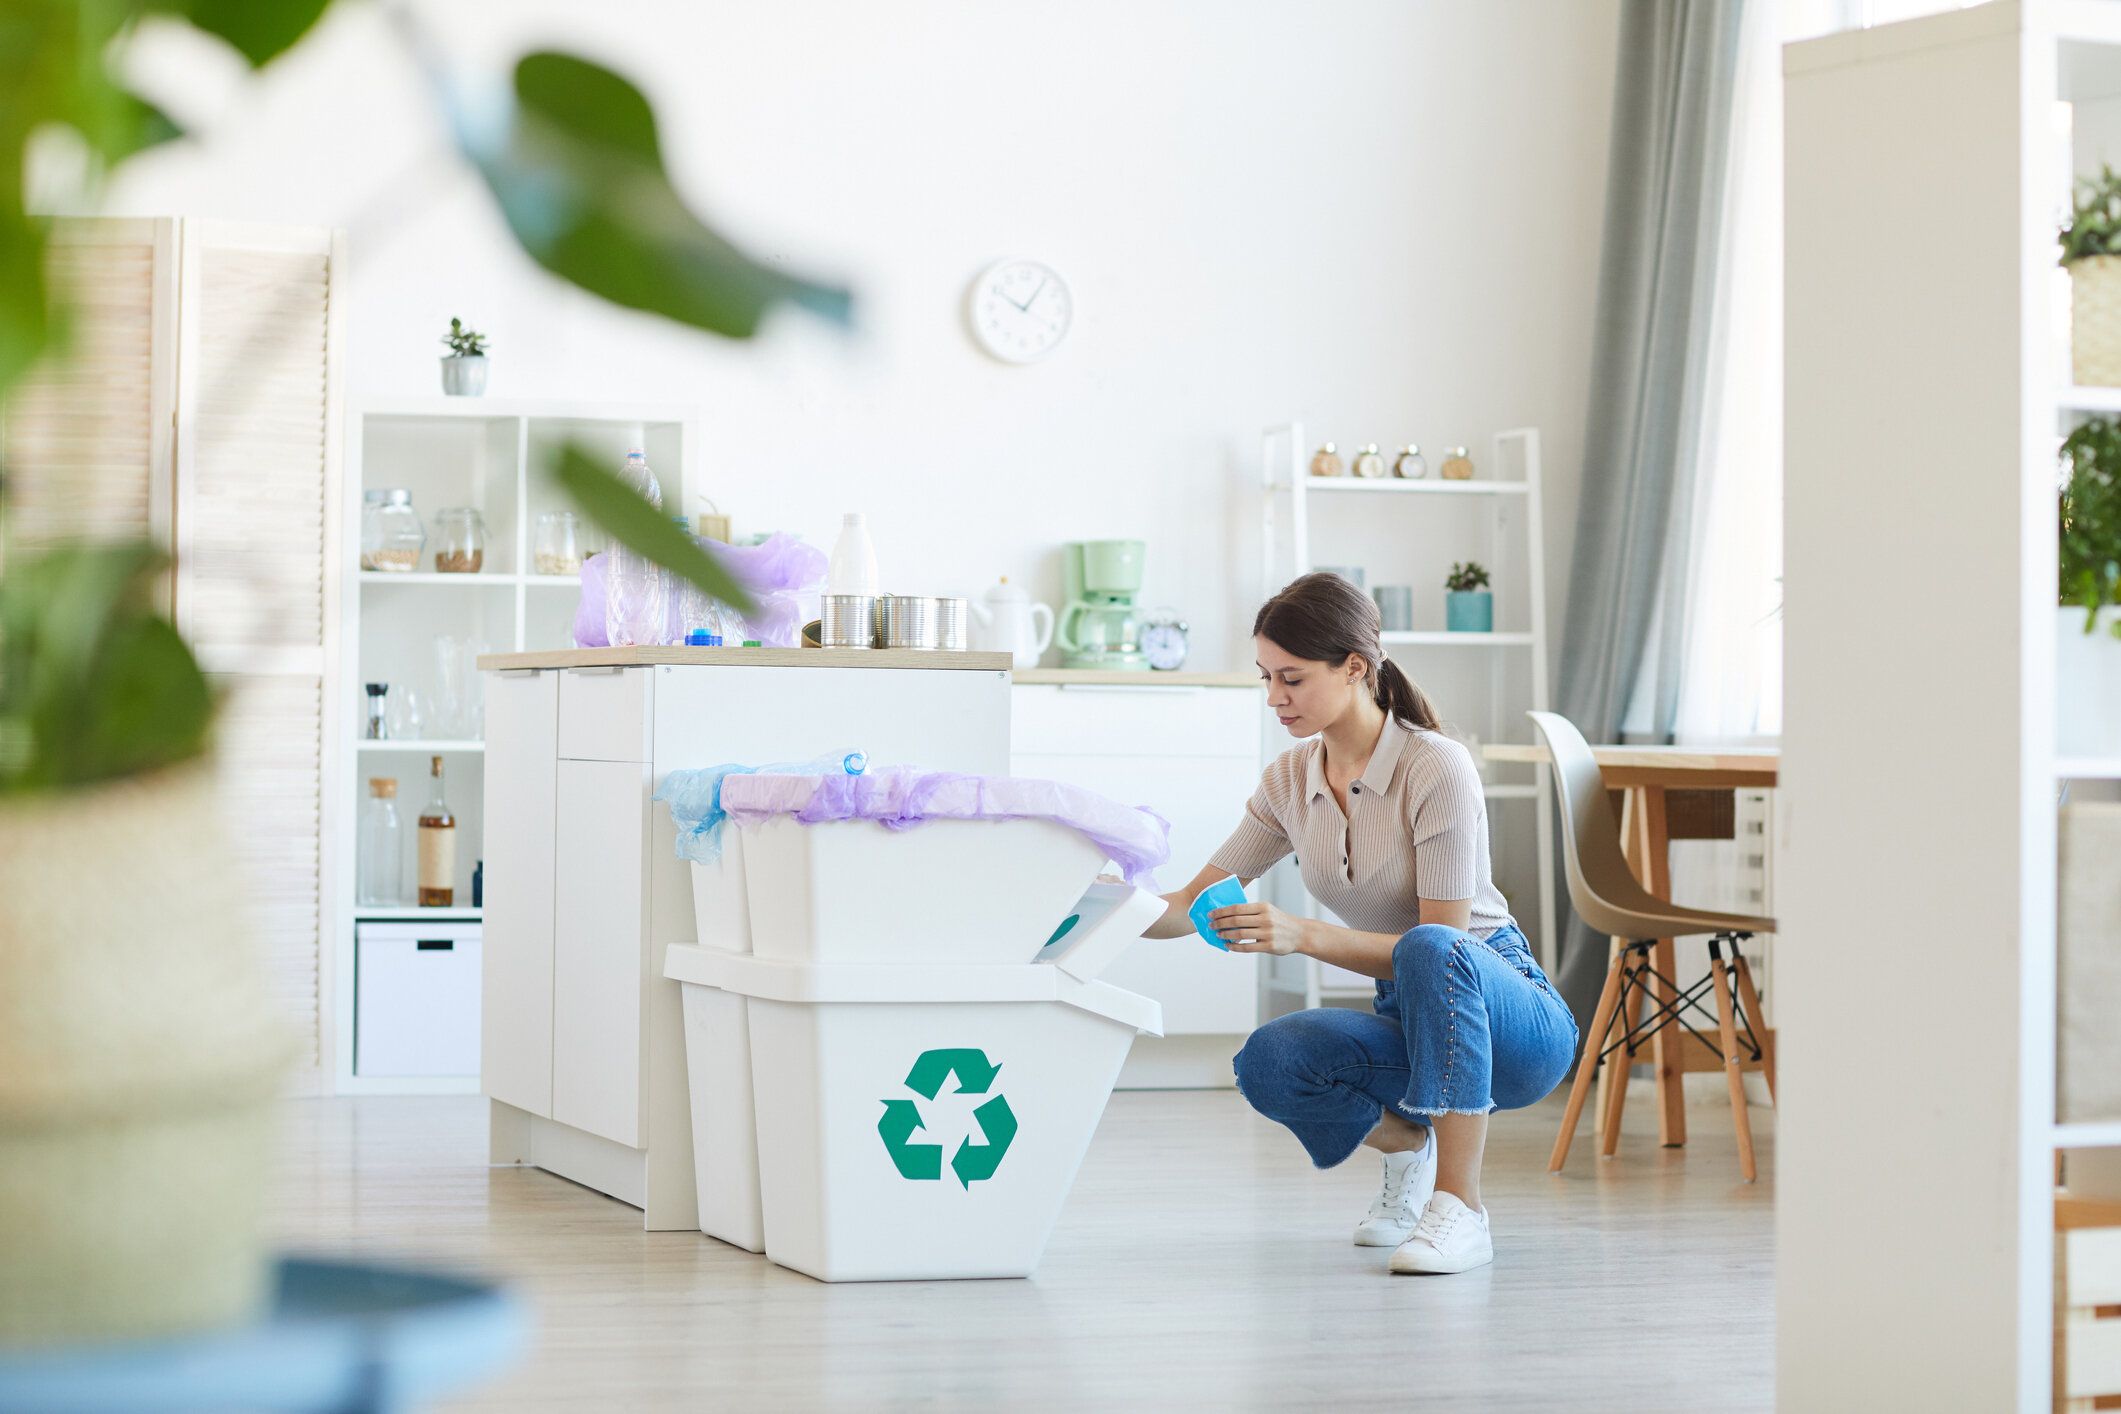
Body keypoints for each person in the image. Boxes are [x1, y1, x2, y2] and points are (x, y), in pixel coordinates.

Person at [1139, 572, 1577, 1274]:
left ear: (1354, 668)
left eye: (1292, 677)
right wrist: (1094, 902)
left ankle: (1459, 1206)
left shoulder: (1435, 767)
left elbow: (1443, 941)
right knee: (1269, 1061)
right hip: (1411, 1021)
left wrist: (1302, 933)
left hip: (1511, 1026)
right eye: (1265, 678)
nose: (1275, 697)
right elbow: (1188, 903)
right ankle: (1409, 1148)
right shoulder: (1289, 780)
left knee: (1434, 948)